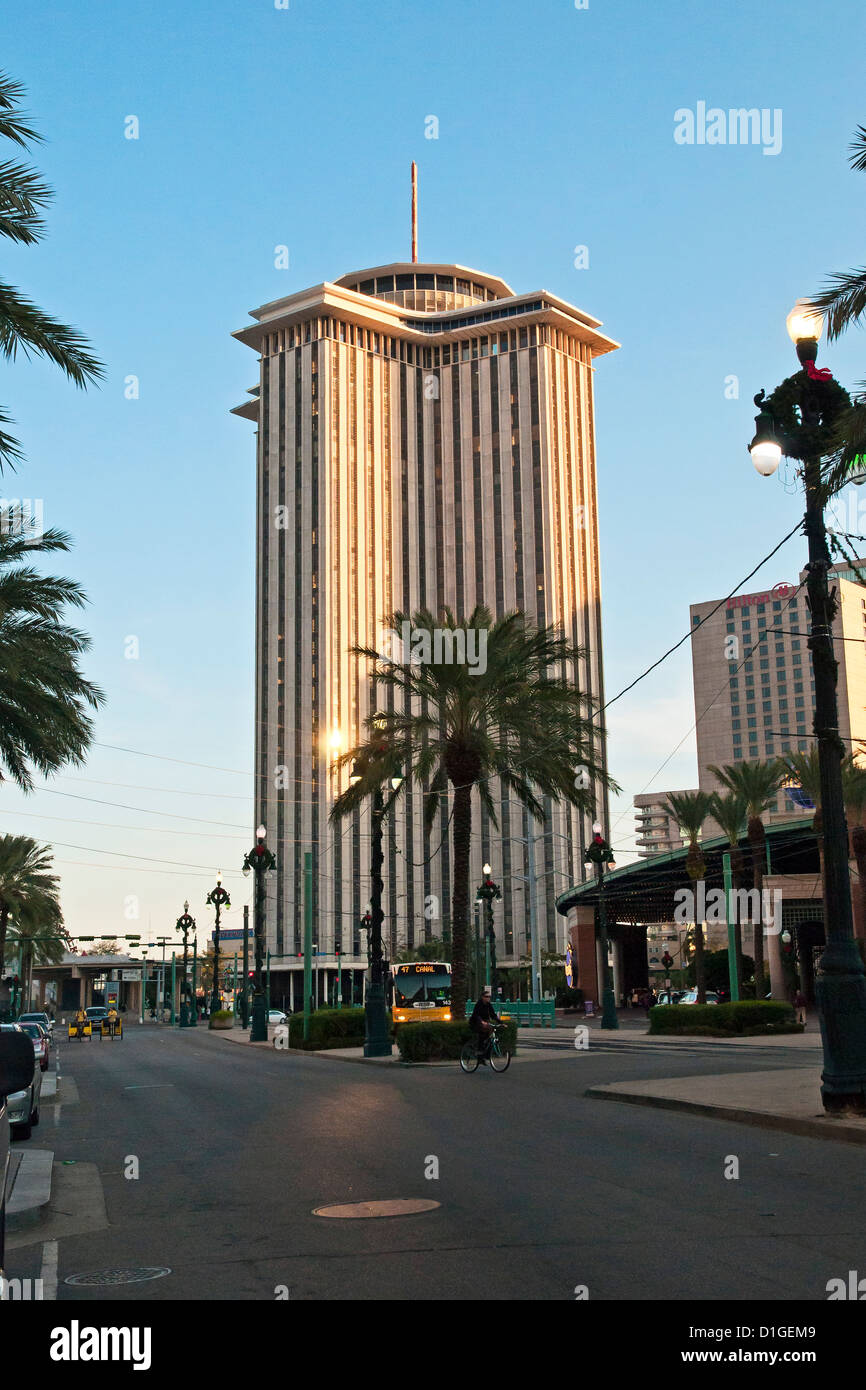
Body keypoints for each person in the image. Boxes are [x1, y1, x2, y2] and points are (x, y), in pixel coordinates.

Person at [469, 987, 500, 1064]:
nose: (488, 998)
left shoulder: (489, 1005)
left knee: (490, 1036)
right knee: (482, 1035)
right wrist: (482, 1022)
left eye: (489, 997)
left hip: (485, 1022)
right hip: (475, 1022)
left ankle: (486, 1055)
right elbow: (476, 1015)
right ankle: (479, 1056)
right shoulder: (479, 1004)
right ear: (482, 997)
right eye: (486, 997)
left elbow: (493, 1015)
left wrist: (500, 1022)